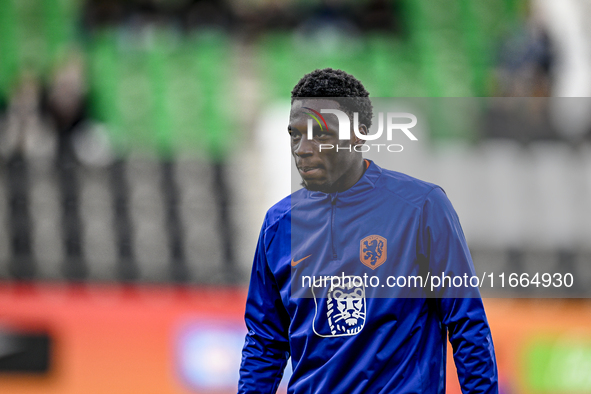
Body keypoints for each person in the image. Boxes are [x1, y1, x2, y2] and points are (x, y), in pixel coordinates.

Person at [238, 68, 498, 393]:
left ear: (358, 134)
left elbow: (467, 323)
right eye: (296, 134)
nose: (303, 147)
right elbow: (265, 341)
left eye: (320, 133)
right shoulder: (279, 225)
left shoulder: (422, 208)